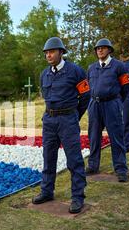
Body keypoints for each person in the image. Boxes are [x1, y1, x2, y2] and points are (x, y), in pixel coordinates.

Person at [32, 37, 91, 214]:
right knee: (48, 158)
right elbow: (46, 96)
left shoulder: (76, 71)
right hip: (49, 120)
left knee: (74, 160)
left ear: (61, 52)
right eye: (46, 53)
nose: (48, 55)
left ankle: (77, 197)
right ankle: (47, 191)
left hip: (68, 120)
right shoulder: (44, 74)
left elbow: (86, 97)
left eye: (51, 52)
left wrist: (73, 116)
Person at [86, 39, 129, 182]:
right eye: (98, 48)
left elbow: (126, 88)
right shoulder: (91, 68)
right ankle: (93, 165)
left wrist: (116, 101)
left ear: (109, 50)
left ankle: (121, 168)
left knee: (116, 136)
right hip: (94, 105)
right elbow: (88, 87)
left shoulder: (119, 66)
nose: (100, 50)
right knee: (93, 136)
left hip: (112, 104)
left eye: (103, 48)